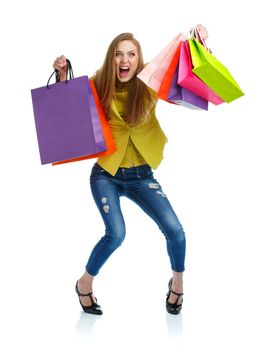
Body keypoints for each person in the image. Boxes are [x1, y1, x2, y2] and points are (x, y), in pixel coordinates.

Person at [53, 24, 209, 316]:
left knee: (176, 232)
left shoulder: (150, 80)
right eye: (119, 54)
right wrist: (63, 76)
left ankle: (177, 286)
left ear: (139, 59)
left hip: (141, 176)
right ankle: (84, 284)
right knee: (116, 234)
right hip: (106, 175)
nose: (125, 60)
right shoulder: (99, 83)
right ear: (111, 58)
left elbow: (183, 70)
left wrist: (198, 45)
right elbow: (68, 108)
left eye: (131, 54)